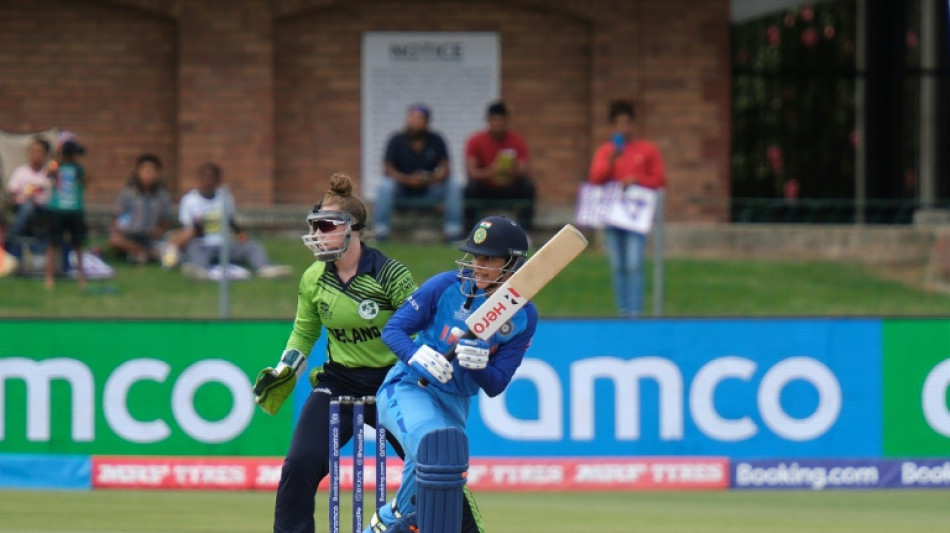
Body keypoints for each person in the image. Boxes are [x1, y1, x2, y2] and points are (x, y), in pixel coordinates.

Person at [252, 173, 416, 533]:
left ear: (352, 228)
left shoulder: (390, 274)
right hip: (340, 382)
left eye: (326, 225)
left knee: (432, 466)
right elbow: (304, 333)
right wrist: (284, 369)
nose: (318, 233)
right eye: (315, 225)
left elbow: (419, 327)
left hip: (394, 383)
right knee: (299, 464)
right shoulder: (313, 277)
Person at [367, 215, 537, 533]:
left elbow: (496, 384)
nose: (477, 265)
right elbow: (394, 330)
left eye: (488, 259)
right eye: (475, 256)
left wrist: (478, 365)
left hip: (455, 405)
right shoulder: (446, 286)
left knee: (416, 502)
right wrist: (416, 354)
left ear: (512, 262)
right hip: (409, 387)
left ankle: (388, 520)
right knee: (438, 452)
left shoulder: (523, 314)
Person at [587, 99, 666, 317]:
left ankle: (635, 311)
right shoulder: (606, 151)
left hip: (635, 215)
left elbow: (659, 179)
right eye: (618, 123)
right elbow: (595, 178)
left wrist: (637, 179)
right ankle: (622, 310)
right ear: (613, 126)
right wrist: (611, 160)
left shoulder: (647, 150)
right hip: (612, 215)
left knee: (633, 263)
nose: (623, 128)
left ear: (634, 124)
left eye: (627, 123)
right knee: (617, 265)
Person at [167, 162, 291, 280]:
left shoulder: (225, 197)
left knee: (252, 246)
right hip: (203, 244)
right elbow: (188, 231)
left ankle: (265, 268)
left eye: (211, 178)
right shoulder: (189, 200)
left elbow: (232, 222)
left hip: (224, 244)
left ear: (217, 181)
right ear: (199, 179)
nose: (207, 181)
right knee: (194, 248)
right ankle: (200, 271)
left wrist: (242, 236)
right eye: (204, 178)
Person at [374, 103, 463, 243]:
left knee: (453, 184)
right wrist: (408, 180)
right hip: (402, 190)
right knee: (385, 185)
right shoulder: (396, 140)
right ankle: (381, 231)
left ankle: (453, 232)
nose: (413, 121)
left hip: (428, 190)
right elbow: (388, 170)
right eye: (411, 117)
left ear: (426, 122)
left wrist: (430, 179)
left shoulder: (436, 140)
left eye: (418, 118)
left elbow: (445, 169)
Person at [463, 100, 536, 231]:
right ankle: (469, 230)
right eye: (494, 120)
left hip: (508, 187)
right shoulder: (475, 140)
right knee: (470, 188)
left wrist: (509, 170)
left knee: (528, 187)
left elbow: (524, 170)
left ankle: (525, 231)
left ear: (506, 120)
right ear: (488, 120)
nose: (497, 124)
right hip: (485, 188)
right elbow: (472, 172)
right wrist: (491, 171)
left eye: (500, 120)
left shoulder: (516, 140)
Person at [108, 154, 173, 264]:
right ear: (138, 172)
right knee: (115, 240)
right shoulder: (128, 194)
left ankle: (138, 253)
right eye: (145, 171)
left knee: (170, 242)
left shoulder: (163, 196)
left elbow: (166, 219)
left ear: (158, 173)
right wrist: (117, 229)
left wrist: (160, 230)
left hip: (150, 237)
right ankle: (150, 254)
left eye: (152, 171)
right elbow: (116, 216)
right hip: (130, 235)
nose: (148, 175)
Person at [44, 134, 88, 289]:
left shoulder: (78, 169)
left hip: (75, 209)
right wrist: (57, 160)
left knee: (78, 244)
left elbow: (86, 181)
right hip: (57, 209)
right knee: (53, 244)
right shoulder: (56, 166)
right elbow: (48, 175)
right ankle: (49, 277)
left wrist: (78, 162)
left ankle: (81, 276)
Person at [5, 136, 53, 247]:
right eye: (32, 151)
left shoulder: (49, 173)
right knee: (28, 206)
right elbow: (12, 192)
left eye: (38, 151)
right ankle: (11, 239)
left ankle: (50, 243)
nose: (34, 154)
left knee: (53, 209)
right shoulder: (21, 172)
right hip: (23, 206)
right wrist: (17, 199)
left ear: (46, 154)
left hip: (43, 206)